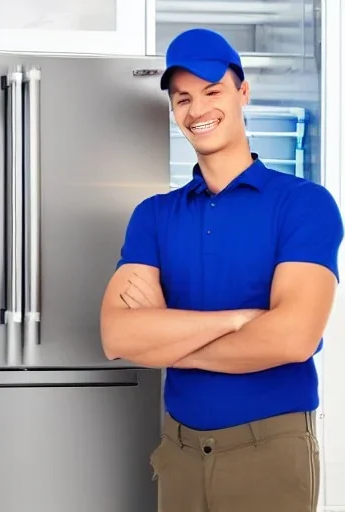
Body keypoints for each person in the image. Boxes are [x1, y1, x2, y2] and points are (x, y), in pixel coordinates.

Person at [100, 28, 344, 512]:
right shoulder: (153, 215)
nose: (197, 110)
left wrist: (170, 342)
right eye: (183, 98)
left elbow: (293, 338)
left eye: (213, 91)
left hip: (269, 450)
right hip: (178, 449)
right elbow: (118, 337)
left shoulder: (302, 204)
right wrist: (239, 320)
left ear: (243, 92)